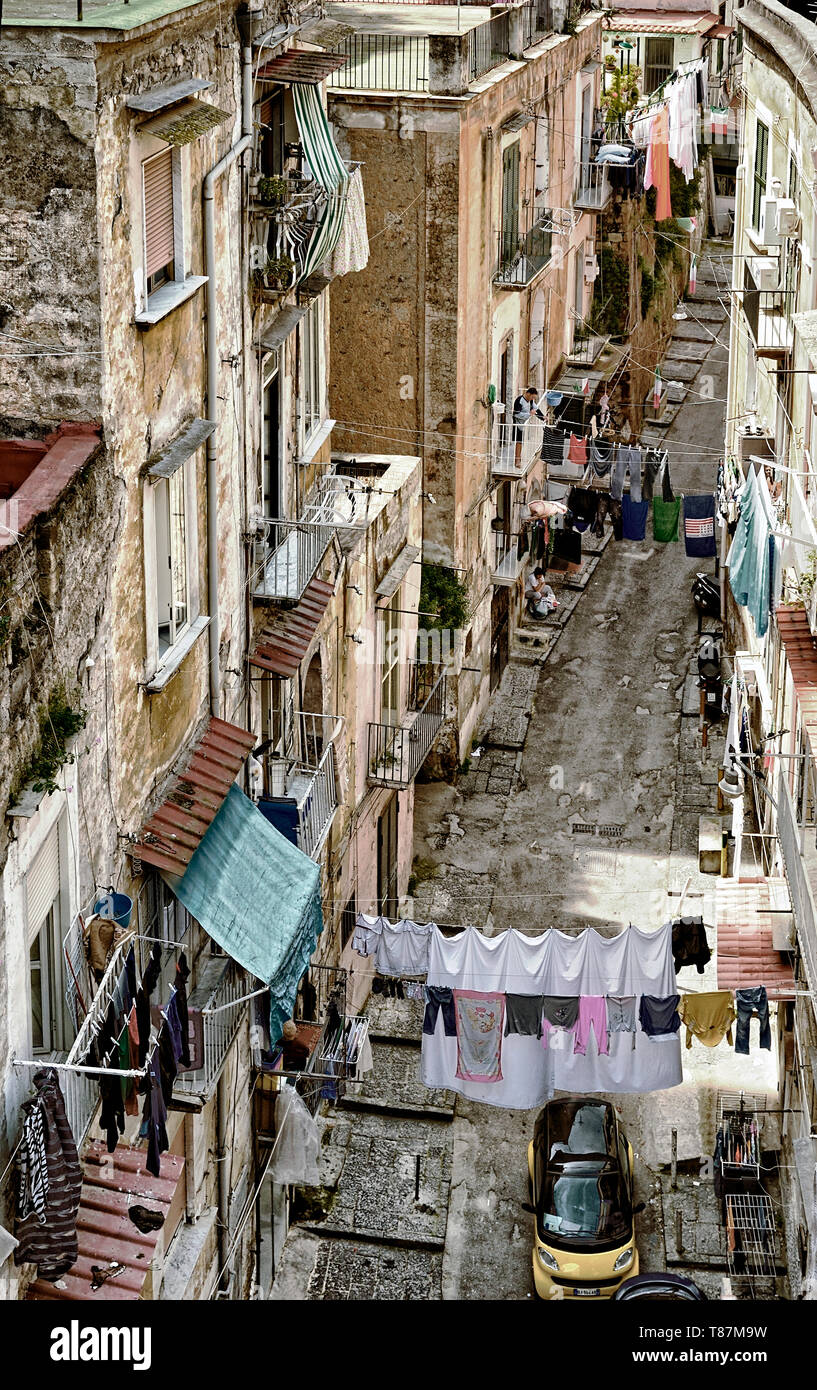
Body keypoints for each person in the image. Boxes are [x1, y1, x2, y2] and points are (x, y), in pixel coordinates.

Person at [512, 387, 546, 468]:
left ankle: (519, 458)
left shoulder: (531, 401)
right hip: (518, 424)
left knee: (522, 442)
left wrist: (543, 417)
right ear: (528, 394)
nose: (533, 399)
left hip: (525, 425)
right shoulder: (519, 401)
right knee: (519, 442)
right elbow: (516, 414)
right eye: (532, 397)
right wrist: (529, 414)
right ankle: (517, 461)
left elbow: (536, 409)